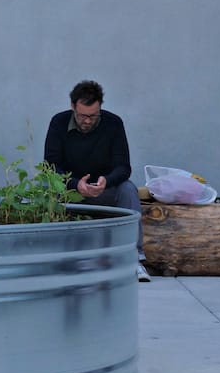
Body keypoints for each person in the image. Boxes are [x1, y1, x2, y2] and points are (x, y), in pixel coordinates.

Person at [43, 79, 149, 282]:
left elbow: (123, 167)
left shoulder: (113, 123)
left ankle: (134, 258)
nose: (88, 121)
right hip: (69, 191)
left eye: (93, 115)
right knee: (48, 191)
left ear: (100, 107)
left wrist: (106, 182)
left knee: (128, 189)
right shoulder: (58, 122)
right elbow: (51, 166)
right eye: (83, 116)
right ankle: (56, 259)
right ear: (73, 106)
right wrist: (75, 184)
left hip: (103, 190)